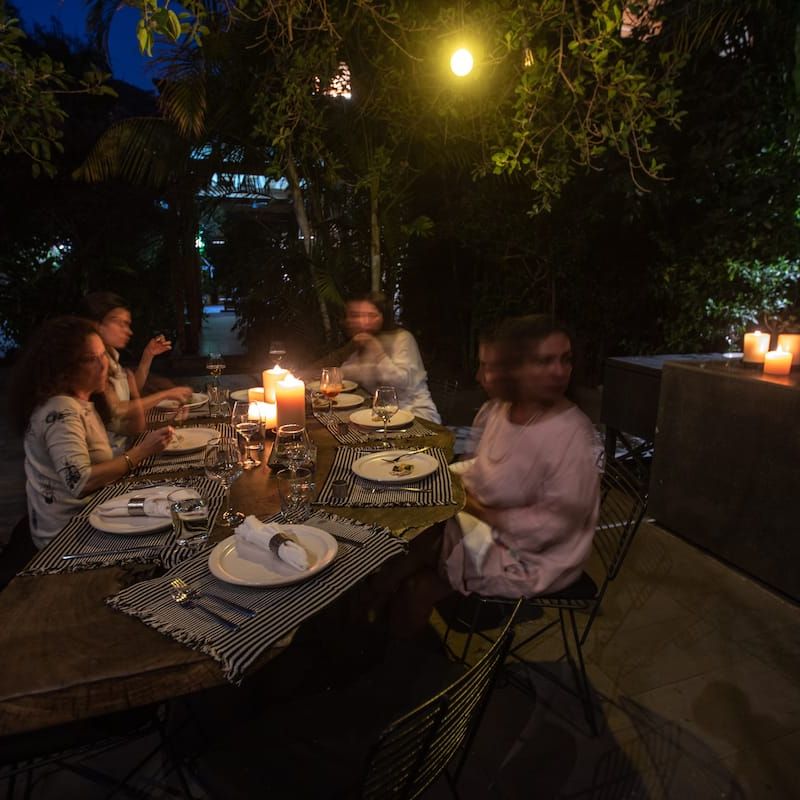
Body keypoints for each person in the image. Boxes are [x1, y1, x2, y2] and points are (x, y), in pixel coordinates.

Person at [440, 314, 601, 598]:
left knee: (417, 573)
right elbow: (482, 471)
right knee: (413, 542)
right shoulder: (498, 411)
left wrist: (482, 512)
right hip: (486, 529)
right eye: (544, 361)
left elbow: (554, 526)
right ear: (515, 367)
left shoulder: (572, 433)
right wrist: (457, 488)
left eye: (566, 359)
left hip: (534, 559)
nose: (560, 371)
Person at [9, 316, 175, 549]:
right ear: (64, 367)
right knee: (174, 534)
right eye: (91, 359)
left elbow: (130, 428)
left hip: (97, 512)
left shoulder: (83, 401)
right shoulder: (61, 411)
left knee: (173, 502)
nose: (103, 365)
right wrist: (142, 451)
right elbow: (81, 481)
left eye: (103, 355)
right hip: (67, 535)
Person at [83, 292, 191, 450]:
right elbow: (118, 409)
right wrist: (167, 394)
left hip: (126, 442)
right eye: (121, 323)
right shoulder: (93, 364)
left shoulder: (111, 356)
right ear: (97, 323)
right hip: (111, 452)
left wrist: (148, 355)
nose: (129, 331)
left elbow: (129, 394)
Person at [323, 291, 440, 423]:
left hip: (414, 415)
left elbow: (401, 382)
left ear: (384, 316)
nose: (363, 321)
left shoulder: (402, 338)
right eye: (356, 315)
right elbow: (347, 373)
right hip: (379, 414)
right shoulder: (362, 343)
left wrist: (377, 351)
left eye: (371, 315)